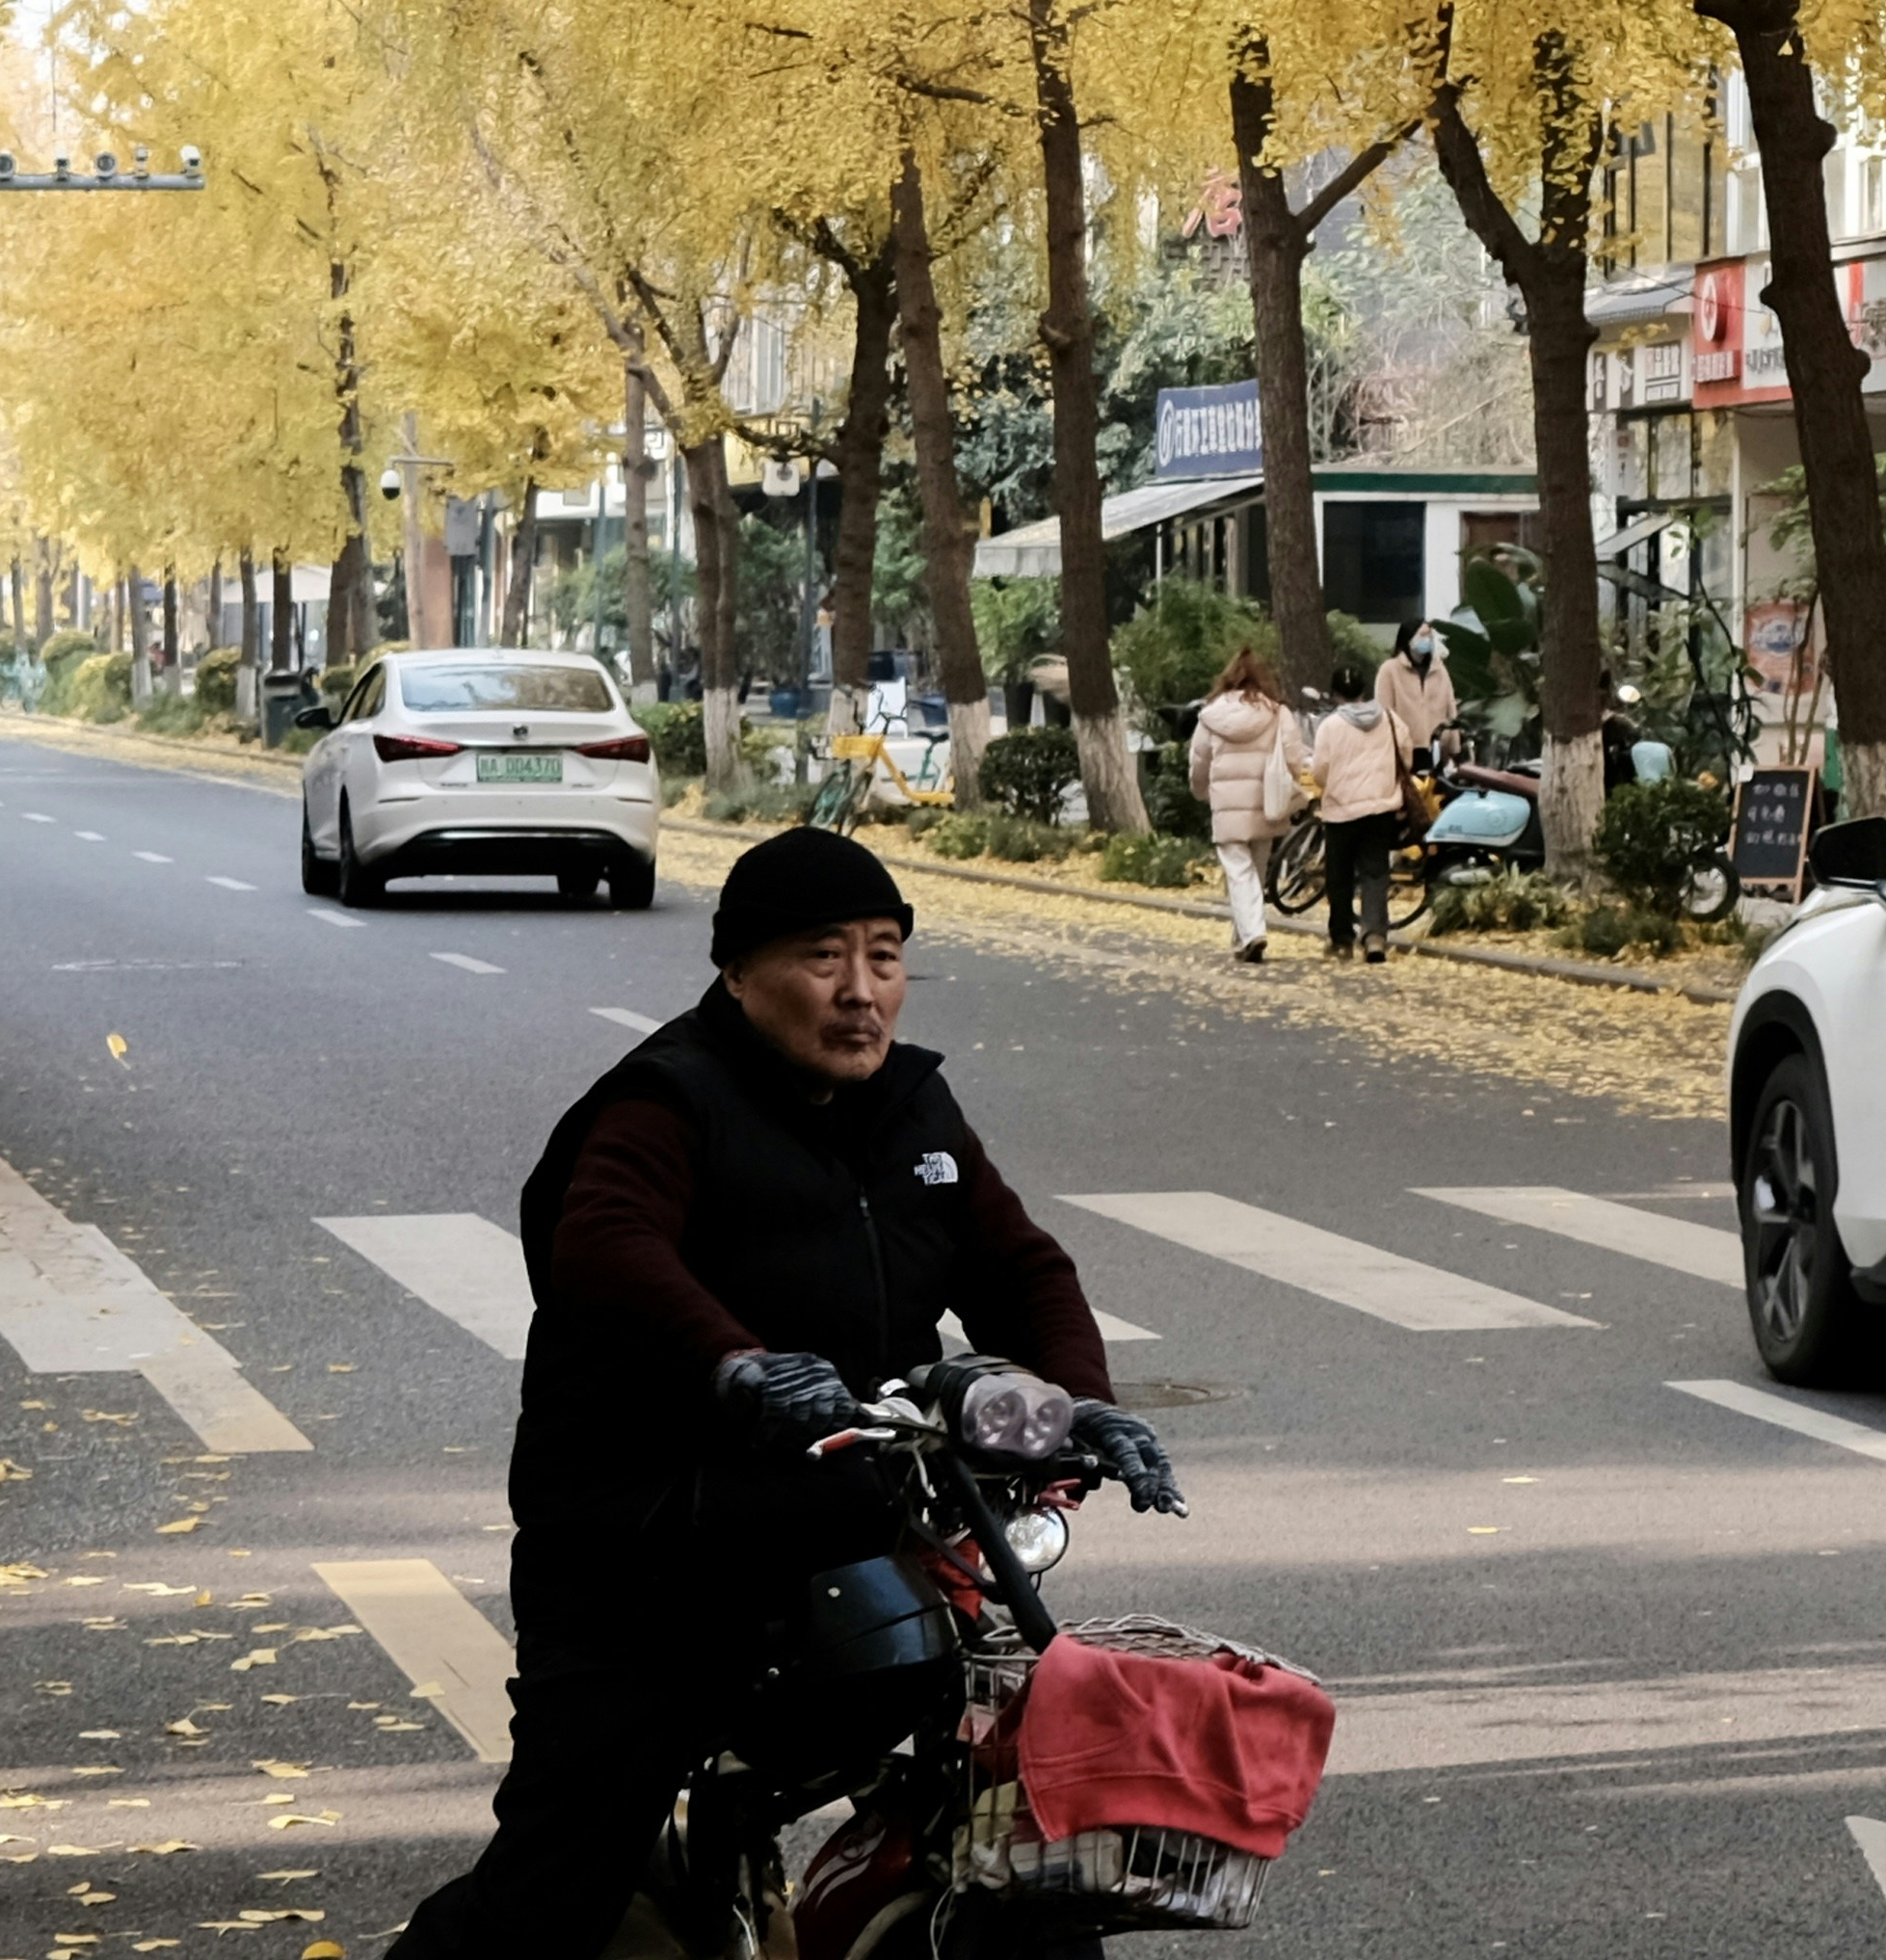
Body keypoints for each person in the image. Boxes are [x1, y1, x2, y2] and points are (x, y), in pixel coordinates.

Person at [382, 830, 1168, 1960]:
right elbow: (605, 1238)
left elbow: (1022, 1268)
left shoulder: (914, 1111)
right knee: (561, 1877)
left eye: (886, 956)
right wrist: (735, 1364)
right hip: (650, 1543)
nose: (861, 993)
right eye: (822, 956)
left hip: (851, 1527)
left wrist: (1083, 1403)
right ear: (739, 970)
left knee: (999, 1808)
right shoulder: (669, 1099)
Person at [1188, 647, 1296, 965]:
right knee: (1255, 873)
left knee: (1238, 873)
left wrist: (1200, 791)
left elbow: (1198, 763)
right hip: (1267, 803)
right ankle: (1245, 937)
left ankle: (1250, 934)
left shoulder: (1211, 716)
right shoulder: (1278, 713)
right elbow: (1292, 757)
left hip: (1227, 805)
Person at [1307, 679, 1402, 961]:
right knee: (1375, 872)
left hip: (1341, 810)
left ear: (1336, 694)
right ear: (1364, 692)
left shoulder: (1330, 726)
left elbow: (1320, 770)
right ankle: (1374, 936)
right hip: (1380, 807)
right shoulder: (1389, 719)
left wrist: (1331, 784)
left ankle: (1342, 940)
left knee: (1339, 876)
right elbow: (1405, 754)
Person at [1372, 617, 1461, 784]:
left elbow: (1450, 707)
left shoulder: (1439, 670)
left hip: (1436, 748)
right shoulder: (1390, 670)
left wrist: (1453, 747)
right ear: (1409, 638)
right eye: (1422, 635)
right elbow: (1384, 713)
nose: (1427, 640)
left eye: (1429, 636)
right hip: (1404, 749)